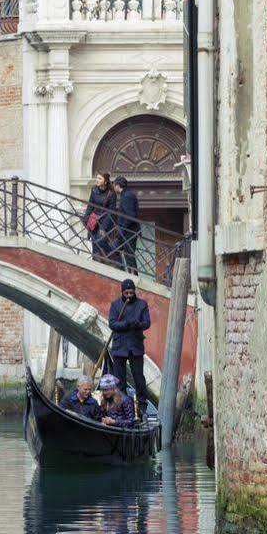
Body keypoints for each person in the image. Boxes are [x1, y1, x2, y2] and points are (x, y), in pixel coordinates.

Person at [107, 278, 153, 407]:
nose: (128, 296)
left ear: (134, 292)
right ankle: (121, 403)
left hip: (135, 346)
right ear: (122, 292)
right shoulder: (115, 305)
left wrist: (138, 324)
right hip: (119, 346)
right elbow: (112, 323)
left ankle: (142, 403)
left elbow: (147, 323)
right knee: (119, 379)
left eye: (131, 293)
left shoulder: (142, 304)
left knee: (138, 377)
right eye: (126, 293)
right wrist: (125, 324)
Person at [110, 177, 143, 273]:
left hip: (128, 232)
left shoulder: (127, 196)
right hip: (127, 231)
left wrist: (122, 229)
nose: (113, 187)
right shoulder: (126, 194)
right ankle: (126, 272)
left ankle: (132, 275)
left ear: (117, 185)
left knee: (128, 255)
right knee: (117, 251)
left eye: (114, 185)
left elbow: (130, 215)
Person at [83, 172, 116, 264]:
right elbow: (90, 205)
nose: (97, 180)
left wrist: (104, 226)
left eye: (100, 178)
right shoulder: (94, 190)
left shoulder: (111, 194)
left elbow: (111, 211)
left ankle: (113, 256)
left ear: (105, 181)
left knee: (100, 241)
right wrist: (86, 218)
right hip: (94, 221)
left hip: (104, 221)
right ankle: (96, 263)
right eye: (97, 178)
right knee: (94, 243)